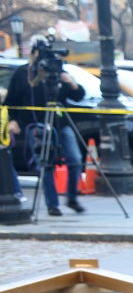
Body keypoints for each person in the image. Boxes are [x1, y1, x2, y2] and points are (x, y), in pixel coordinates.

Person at [6, 35, 86, 217]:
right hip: (36, 124)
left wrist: (71, 83)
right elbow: (11, 100)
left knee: (75, 159)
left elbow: (78, 95)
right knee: (45, 164)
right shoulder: (23, 74)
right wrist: (13, 119)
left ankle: (72, 197)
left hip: (61, 123)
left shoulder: (58, 71)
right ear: (33, 53)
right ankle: (52, 204)